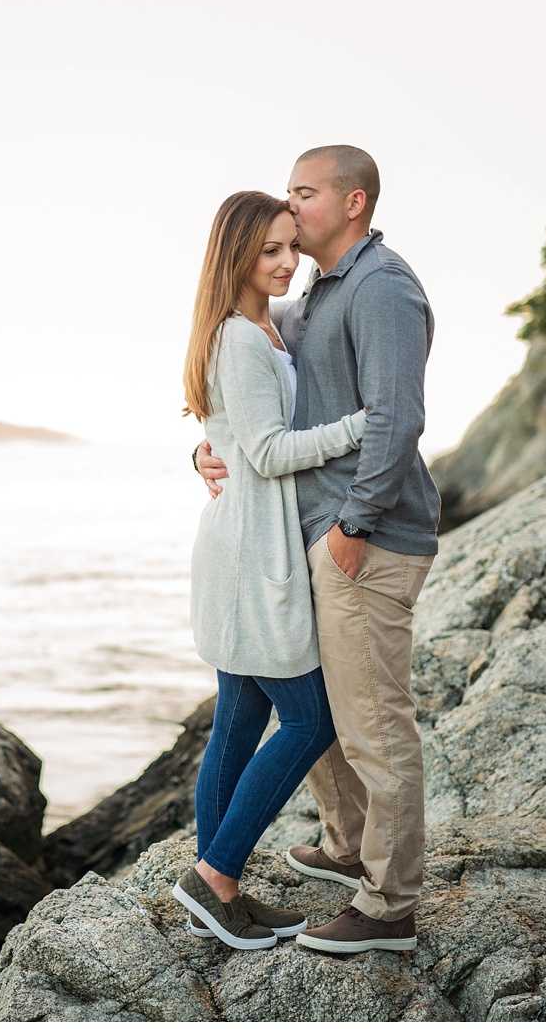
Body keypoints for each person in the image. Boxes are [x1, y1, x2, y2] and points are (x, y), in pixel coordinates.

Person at [197, 145, 441, 955]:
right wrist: (205, 450)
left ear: (353, 202)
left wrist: (356, 526)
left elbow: (396, 418)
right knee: (325, 714)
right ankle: (343, 846)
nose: (291, 210)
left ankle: (388, 906)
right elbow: (247, 392)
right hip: (302, 537)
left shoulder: (382, 287)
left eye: (304, 195)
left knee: (370, 724)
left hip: (361, 540)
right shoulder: (314, 295)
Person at [173, 190, 370, 951]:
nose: (288, 262)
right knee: (310, 717)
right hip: (252, 554)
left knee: (239, 718)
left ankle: (213, 883)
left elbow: (226, 438)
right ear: (237, 258)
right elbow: (264, 451)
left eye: (293, 245)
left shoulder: (263, 327)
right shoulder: (241, 339)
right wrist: (363, 426)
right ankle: (217, 877)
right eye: (271, 252)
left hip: (245, 543)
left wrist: (199, 451)